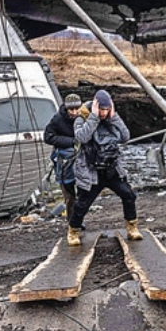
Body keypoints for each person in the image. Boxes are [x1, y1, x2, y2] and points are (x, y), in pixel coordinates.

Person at [66, 90, 141, 246]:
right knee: (82, 204)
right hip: (91, 170)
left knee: (129, 195)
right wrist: (94, 117)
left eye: (107, 110)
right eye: (102, 110)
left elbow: (125, 137)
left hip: (112, 169)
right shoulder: (82, 117)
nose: (104, 113)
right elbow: (81, 137)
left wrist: (114, 117)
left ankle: (132, 228)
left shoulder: (111, 117)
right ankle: (73, 231)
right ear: (96, 106)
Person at [43, 93, 82, 221]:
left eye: (77, 109)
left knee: (83, 191)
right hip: (64, 161)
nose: (75, 112)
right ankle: (72, 221)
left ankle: (79, 219)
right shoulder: (57, 120)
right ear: (66, 108)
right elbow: (48, 137)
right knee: (69, 194)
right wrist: (71, 141)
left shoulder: (85, 117)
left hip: (82, 158)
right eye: (72, 109)